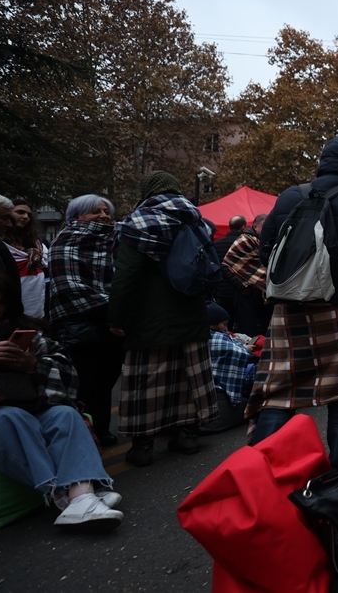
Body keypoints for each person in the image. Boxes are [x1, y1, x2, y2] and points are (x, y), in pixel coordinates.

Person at [247, 135, 338, 466]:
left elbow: (265, 250)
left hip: (290, 310)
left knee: (279, 394)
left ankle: (258, 474)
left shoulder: (291, 196)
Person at [0, 269, 124, 531]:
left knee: (65, 414)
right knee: (10, 417)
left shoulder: (23, 330)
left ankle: (81, 498)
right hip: (3, 414)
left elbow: (68, 375)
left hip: (34, 403)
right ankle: (70, 495)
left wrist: (33, 366)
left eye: (1, 301)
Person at [109, 171, 218, 467]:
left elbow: (125, 277)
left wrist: (117, 316)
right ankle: (187, 435)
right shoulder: (197, 221)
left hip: (149, 315)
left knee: (147, 379)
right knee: (188, 375)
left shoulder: (137, 223)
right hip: (191, 311)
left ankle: (143, 445)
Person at [46, 195, 125, 447]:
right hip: (78, 327)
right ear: (76, 216)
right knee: (84, 385)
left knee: (106, 383)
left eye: (106, 211)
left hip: (111, 325)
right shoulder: (65, 241)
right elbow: (70, 287)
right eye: (95, 212)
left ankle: (101, 429)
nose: (104, 216)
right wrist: (115, 306)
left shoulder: (115, 241)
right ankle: (81, 436)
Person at [200, 302, 256, 435]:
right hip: (219, 392)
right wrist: (245, 349)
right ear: (212, 325)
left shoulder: (201, 337)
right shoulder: (216, 338)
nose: (226, 328)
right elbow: (239, 354)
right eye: (223, 324)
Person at [222, 214, 272, 338]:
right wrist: (242, 287)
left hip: (265, 295)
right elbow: (226, 265)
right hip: (247, 296)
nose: (267, 230)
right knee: (248, 331)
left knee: (266, 329)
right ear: (255, 226)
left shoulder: (266, 242)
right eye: (263, 227)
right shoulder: (245, 241)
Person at [2, 198, 48, 318]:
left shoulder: (38, 242)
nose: (26, 217)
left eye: (28, 214)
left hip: (36, 304)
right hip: (8, 302)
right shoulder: (0, 243)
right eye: (20, 212)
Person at [214, 215, 247, 327]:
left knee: (224, 323)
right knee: (243, 323)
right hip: (241, 290)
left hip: (221, 290)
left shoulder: (217, 244)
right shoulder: (245, 244)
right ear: (243, 227)